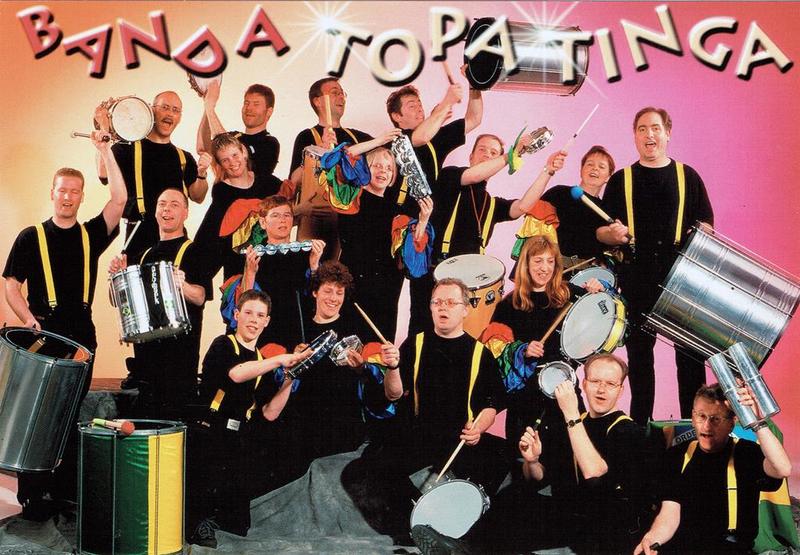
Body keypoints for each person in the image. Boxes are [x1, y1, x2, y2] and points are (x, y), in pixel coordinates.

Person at [3, 130, 126, 520]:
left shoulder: (91, 234)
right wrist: (27, 318)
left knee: (68, 414)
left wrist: (105, 150)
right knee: (38, 414)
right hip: (43, 336)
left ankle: (61, 492)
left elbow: (119, 200)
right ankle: (33, 497)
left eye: (75, 191)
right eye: (62, 190)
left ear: (81, 196)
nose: (68, 197)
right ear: (52, 193)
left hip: (81, 337)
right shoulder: (31, 236)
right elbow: (11, 284)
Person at [597, 107, 714, 423]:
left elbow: (707, 224)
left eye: (655, 128)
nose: (649, 134)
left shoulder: (688, 176)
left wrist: (701, 232)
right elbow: (602, 232)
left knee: (690, 359)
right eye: (642, 129)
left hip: (681, 277)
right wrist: (611, 234)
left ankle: (693, 428)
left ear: (667, 133)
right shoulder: (621, 180)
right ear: (635, 135)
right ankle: (640, 427)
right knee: (639, 358)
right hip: (637, 275)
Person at [187, 289, 311, 548]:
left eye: (260, 315)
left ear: (267, 321)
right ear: (236, 315)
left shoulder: (262, 360)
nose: (254, 320)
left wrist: (290, 379)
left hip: (238, 436)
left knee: (239, 526)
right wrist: (279, 360)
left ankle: (218, 517)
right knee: (205, 483)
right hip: (209, 431)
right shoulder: (223, 345)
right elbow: (236, 374)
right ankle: (199, 522)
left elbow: (270, 412)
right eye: (249, 313)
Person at [483, 235, 603, 468]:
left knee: (571, 462)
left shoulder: (571, 295)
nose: (544, 268)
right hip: (524, 399)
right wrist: (522, 351)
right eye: (538, 261)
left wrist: (598, 289)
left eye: (550, 261)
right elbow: (495, 356)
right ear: (526, 264)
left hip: (564, 392)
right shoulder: (508, 305)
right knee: (525, 466)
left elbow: (605, 312)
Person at [634, 383, 791, 554]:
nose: (706, 426)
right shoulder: (676, 455)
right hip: (684, 548)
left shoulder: (746, 453)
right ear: (692, 417)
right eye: (701, 416)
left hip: (731, 549)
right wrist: (653, 537)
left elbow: (782, 469)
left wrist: (758, 423)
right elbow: (670, 512)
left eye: (715, 419)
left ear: (732, 423)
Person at [514, 354, 646, 553]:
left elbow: (594, 472)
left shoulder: (629, 432)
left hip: (602, 535)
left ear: (621, 390)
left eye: (610, 384)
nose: (601, 390)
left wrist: (571, 413)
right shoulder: (571, 424)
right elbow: (539, 478)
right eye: (595, 381)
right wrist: (532, 462)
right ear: (584, 384)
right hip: (564, 524)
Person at [283, 261, 400, 479]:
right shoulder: (298, 329)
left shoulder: (357, 327)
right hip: (304, 423)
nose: (334, 298)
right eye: (328, 291)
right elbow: (284, 379)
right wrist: (293, 360)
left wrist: (362, 367)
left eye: (339, 293)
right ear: (315, 292)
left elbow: (377, 385)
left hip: (345, 425)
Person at [385, 79, 483, 331]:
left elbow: (474, 119)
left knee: (427, 301)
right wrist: (447, 102)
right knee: (390, 300)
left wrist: (475, 83)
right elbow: (418, 138)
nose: (419, 107)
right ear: (397, 117)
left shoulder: (434, 139)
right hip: (394, 229)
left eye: (419, 103)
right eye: (411, 105)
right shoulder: (396, 141)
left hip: (426, 229)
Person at [108, 188, 211, 420]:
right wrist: (118, 278)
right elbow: (117, 301)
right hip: (146, 363)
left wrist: (181, 285)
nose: (167, 209)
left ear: (185, 213)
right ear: (155, 212)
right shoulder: (144, 254)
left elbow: (200, 296)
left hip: (179, 363)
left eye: (174, 204)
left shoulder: (194, 251)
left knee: (173, 427)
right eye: (162, 204)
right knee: (145, 425)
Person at [96, 90, 211, 259]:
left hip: (174, 239)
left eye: (175, 110)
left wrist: (201, 174)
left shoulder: (184, 157)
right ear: (151, 110)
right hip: (138, 237)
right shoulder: (126, 148)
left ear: (179, 117)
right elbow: (103, 174)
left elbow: (198, 196)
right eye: (165, 107)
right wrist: (104, 128)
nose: (170, 113)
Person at [288, 77, 374, 261]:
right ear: (317, 101)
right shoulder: (307, 136)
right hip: (316, 221)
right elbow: (294, 181)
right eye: (335, 93)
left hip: (349, 223)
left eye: (342, 93)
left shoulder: (357, 138)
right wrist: (320, 151)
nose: (341, 97)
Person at [194, 133, 282, 285]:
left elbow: (287, 208)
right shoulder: (222, 192)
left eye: (235, 155)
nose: (232, 162)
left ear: (244, 152)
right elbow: (210, 234)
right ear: (220, 165)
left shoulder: (268, 182)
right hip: (238, 266)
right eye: (225, 160)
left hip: (270, 261)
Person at [239, 195, 325, 347]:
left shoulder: (306, 253)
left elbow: (317, 297)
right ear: (263, 222)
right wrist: (251, 272)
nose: (282, 220)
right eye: (275, 215)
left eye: (287, 215)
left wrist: (314, 265)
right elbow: (245, 303)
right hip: (266, 331)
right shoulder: (254, 255)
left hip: (301, 327)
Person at [541, 144, 616, 262]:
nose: (595, 169)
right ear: (581, 170)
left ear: (608, 177)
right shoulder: (558, 193)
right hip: (549, 266)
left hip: (585, 272)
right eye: (590, 164)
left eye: (601, 167)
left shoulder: (606, 211)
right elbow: (533, 229)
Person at [198, 80, 281, 179]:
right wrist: (207, 105)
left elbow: (232, 157)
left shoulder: (269, 143)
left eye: (256, 104)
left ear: (269, 111)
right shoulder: (234, 135)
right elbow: (204, 149)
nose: (249, 108)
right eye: (246, 103)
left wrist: (210, 107)